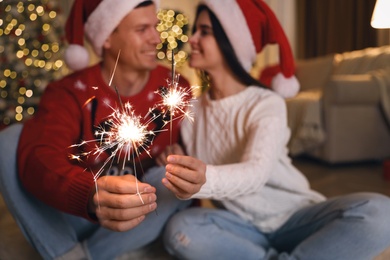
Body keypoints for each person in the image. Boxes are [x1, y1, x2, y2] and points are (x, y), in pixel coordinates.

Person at [158, 0, 390, 259]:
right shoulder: (192, 110)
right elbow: (200, 169)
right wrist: (179, 159)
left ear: (231, 42)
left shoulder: (266, 102)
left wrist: (205, 180)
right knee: (181, 229)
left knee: (380, 214)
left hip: (295, 217)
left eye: (205, 31)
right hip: (240, 226)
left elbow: (255, 172)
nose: (192, 39)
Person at [0, 0, 192, 259]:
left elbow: (196, 167)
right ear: (107, 40)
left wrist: (180, 156)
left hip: (141, 212)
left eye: (155, 27)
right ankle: (67, 250)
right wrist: (89, 193)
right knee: (9, 141)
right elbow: (40, 156)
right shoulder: (69, 92)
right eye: (142, 29)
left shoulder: (175, 86)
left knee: (169, 179)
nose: (157, 39)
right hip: (79, 213)